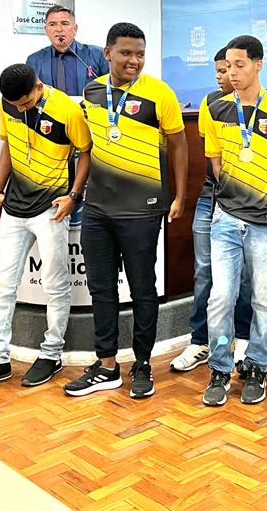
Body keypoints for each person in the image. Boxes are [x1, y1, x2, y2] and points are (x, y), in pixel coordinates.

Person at [63, 22, 187, 399]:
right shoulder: (92, 92)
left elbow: (179, 146)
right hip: (98, 209)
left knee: (142, 288)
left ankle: (143, 363)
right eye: (126, 53)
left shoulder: (160, 93)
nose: (134, 60)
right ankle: (106, 366)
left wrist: (179, 195)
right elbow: (87, 146)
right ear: (107, 53)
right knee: (101, 289)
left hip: (142, 209)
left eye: (140, 54)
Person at [0, 64, 92, 393]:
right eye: (15, 105)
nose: (20, 109)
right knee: (3, 285)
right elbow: (7, 147)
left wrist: (73, 196)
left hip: (51, 209)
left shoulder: (67, 110)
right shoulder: (8, 105)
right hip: (14, 208)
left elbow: (86, 152)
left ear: (38, 86)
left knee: (55, 284)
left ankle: (51, 353)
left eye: (26, 103)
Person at [202, 35, 267, 407]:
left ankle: (258, 364)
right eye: (228, 65)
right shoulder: (216, 108)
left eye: (240, 64)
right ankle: (219, 368)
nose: (232, 72)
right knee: (220, 298)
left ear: (259, 64)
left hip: (265, 221)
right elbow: (216, 162)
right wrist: (234, 195)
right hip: (226, 218)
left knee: (263, 298)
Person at [171, 47, 254, 373]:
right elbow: (212, 152)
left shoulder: (263, 106)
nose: (224, 76)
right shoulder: (211, 103)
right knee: (204, 272)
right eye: (219, 70)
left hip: (247, 201)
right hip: (211, 197)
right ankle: (201, 342)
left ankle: (243, 340)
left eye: (229, 68)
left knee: (244, 275)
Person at [26, 5, 108, 97]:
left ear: (75, 29)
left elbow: (112, 89)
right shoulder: (34, 60)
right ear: (46, 30)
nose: (59, 29)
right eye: (52, 24)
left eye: (65, 24)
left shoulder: (98, 54)